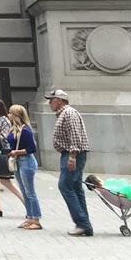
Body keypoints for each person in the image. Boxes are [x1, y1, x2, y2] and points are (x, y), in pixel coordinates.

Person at [47, 88, 93, 236]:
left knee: (65, 186)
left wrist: (72, 156)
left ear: (59, 100)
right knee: (75, 187)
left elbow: (75, 136)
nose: (49, 103)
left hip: (72, 154)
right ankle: (84, 223)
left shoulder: (68, 113)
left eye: (51, 100)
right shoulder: (65, 113)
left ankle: (82, 223)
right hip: (71, 154)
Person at [6, 103, 42, 230]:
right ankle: (30, 217)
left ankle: (36, 219)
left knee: (30, 191)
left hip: (26, 160)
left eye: (10, 113)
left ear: (16, 115)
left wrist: (17, 152)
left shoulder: (25, 130)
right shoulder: (13, 129)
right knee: (24, 191)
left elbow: (32, 148)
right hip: (17, 161)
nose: (8, 115)